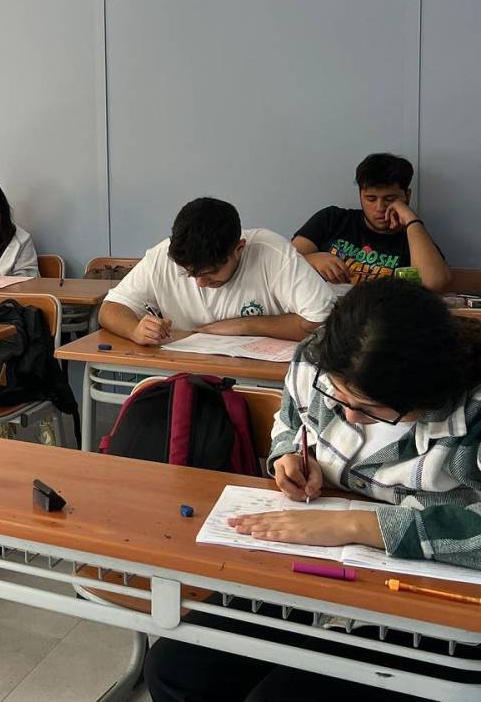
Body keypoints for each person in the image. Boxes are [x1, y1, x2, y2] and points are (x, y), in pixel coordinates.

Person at [145, 278, 481, 702]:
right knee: (174, 669)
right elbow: (291, 422)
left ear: (425, 394)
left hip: (430, 594)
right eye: (338, 396)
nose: (349, 417)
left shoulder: (472, 411)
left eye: (372, 410)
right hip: (318, 569)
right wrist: (288, 457)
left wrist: (358, 526)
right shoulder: (317, 358)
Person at [100, 197, 336, 345]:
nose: (200, 283)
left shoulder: (272, 253)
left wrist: (245, 326)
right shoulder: (163, 256)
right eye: (190, 274)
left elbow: (323, 323)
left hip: (258, 379)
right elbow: (110, 309)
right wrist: (135, 330)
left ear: (239, 249)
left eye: (210, 272)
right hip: (186, 372)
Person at [293, 152, 451, 291]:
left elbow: (433, 282)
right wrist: (312, 259)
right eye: (371, 199)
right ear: (360, 195)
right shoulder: (333, 219)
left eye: (390, 199)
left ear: (407, 196)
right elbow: (286, 261)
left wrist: (411, 219)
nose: (380, 208)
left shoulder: (414, 238)